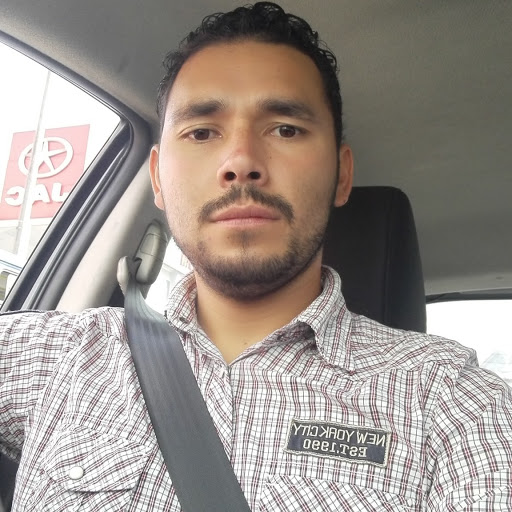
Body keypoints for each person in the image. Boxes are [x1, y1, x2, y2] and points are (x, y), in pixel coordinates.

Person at [1, 2, 511, 510]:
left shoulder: (451, 402)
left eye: (285, 129)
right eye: (202, 132)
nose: (241, 161)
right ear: (158, 178)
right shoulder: (61, 353)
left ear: (341, 174)